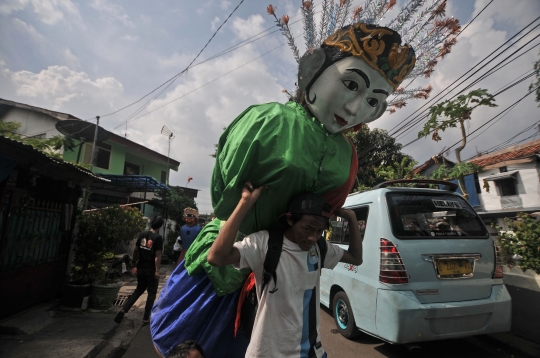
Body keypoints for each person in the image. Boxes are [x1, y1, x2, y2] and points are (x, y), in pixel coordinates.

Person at [151, 20, 415, 358]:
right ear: (312, 70)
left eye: (374, 100)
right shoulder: (267, 120)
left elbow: (328, 214)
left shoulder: (347, 154)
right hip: (237, 257)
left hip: (290, 267)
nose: (354, 109)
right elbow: (226, 195)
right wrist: (248, 212)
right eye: (350, 84)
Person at [207, 183, 363, 358]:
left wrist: (352, 219)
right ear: (290, 220)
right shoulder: (264, 244)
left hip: (311, 352)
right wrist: (245, 202)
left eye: (319, 231)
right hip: (266, 353)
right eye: (307, 228)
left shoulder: (319, 248)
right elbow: (217, 257)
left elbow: (356, 259)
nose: (312, 237)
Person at [115, 216, 163, 325]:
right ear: (160, 226)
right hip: (151, 269)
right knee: (151, 293)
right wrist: (157, 270)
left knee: (138, 290)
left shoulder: (142, 235)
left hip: (141, 267)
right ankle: (146, 318)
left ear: (151, 224)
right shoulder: (158, 237)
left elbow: (136, 250)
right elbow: (158, 254)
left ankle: (123, 310)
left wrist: (134, 262)